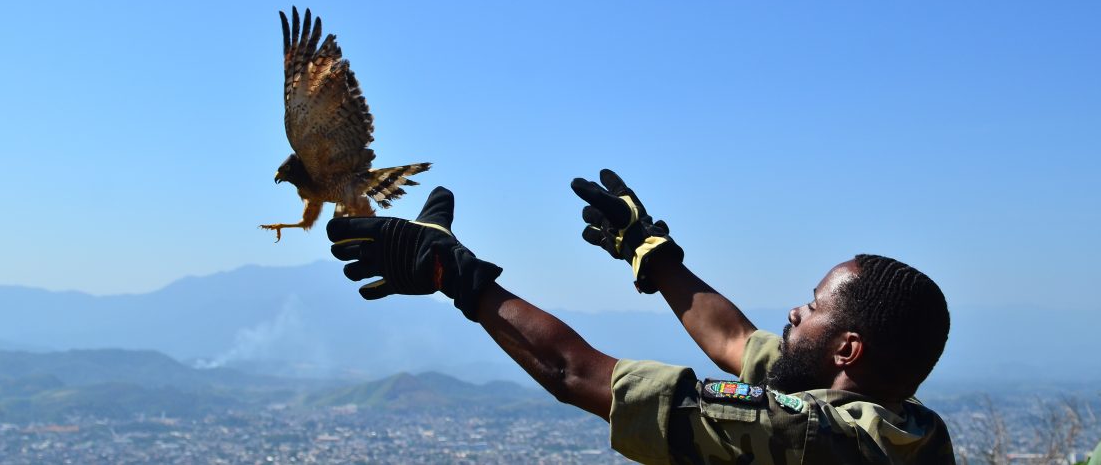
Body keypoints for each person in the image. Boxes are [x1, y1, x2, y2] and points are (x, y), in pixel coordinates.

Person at [327, 169, 955, 464]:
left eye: (813, 307)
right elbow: (736, 340)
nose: (794, 311)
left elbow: (573, 372)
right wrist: (652, 255)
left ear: (846, 350)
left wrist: (458, 278)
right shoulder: (913, 429)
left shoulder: (813, 438)